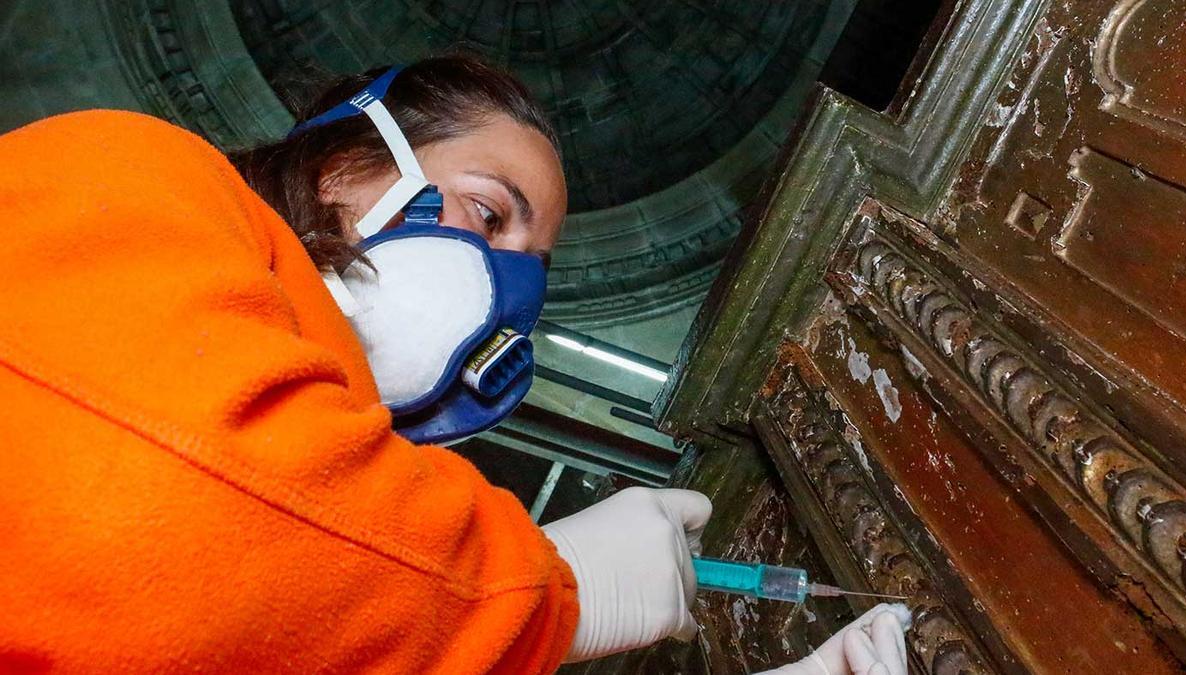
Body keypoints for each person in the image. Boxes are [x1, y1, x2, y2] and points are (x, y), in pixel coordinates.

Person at [0, 54, 908, 672]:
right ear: (347, 166)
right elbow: (158, 502)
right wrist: (539, 588)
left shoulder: (360, 516)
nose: (506, 286)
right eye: (487, 213)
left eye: (532, 271)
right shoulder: (128, 170)